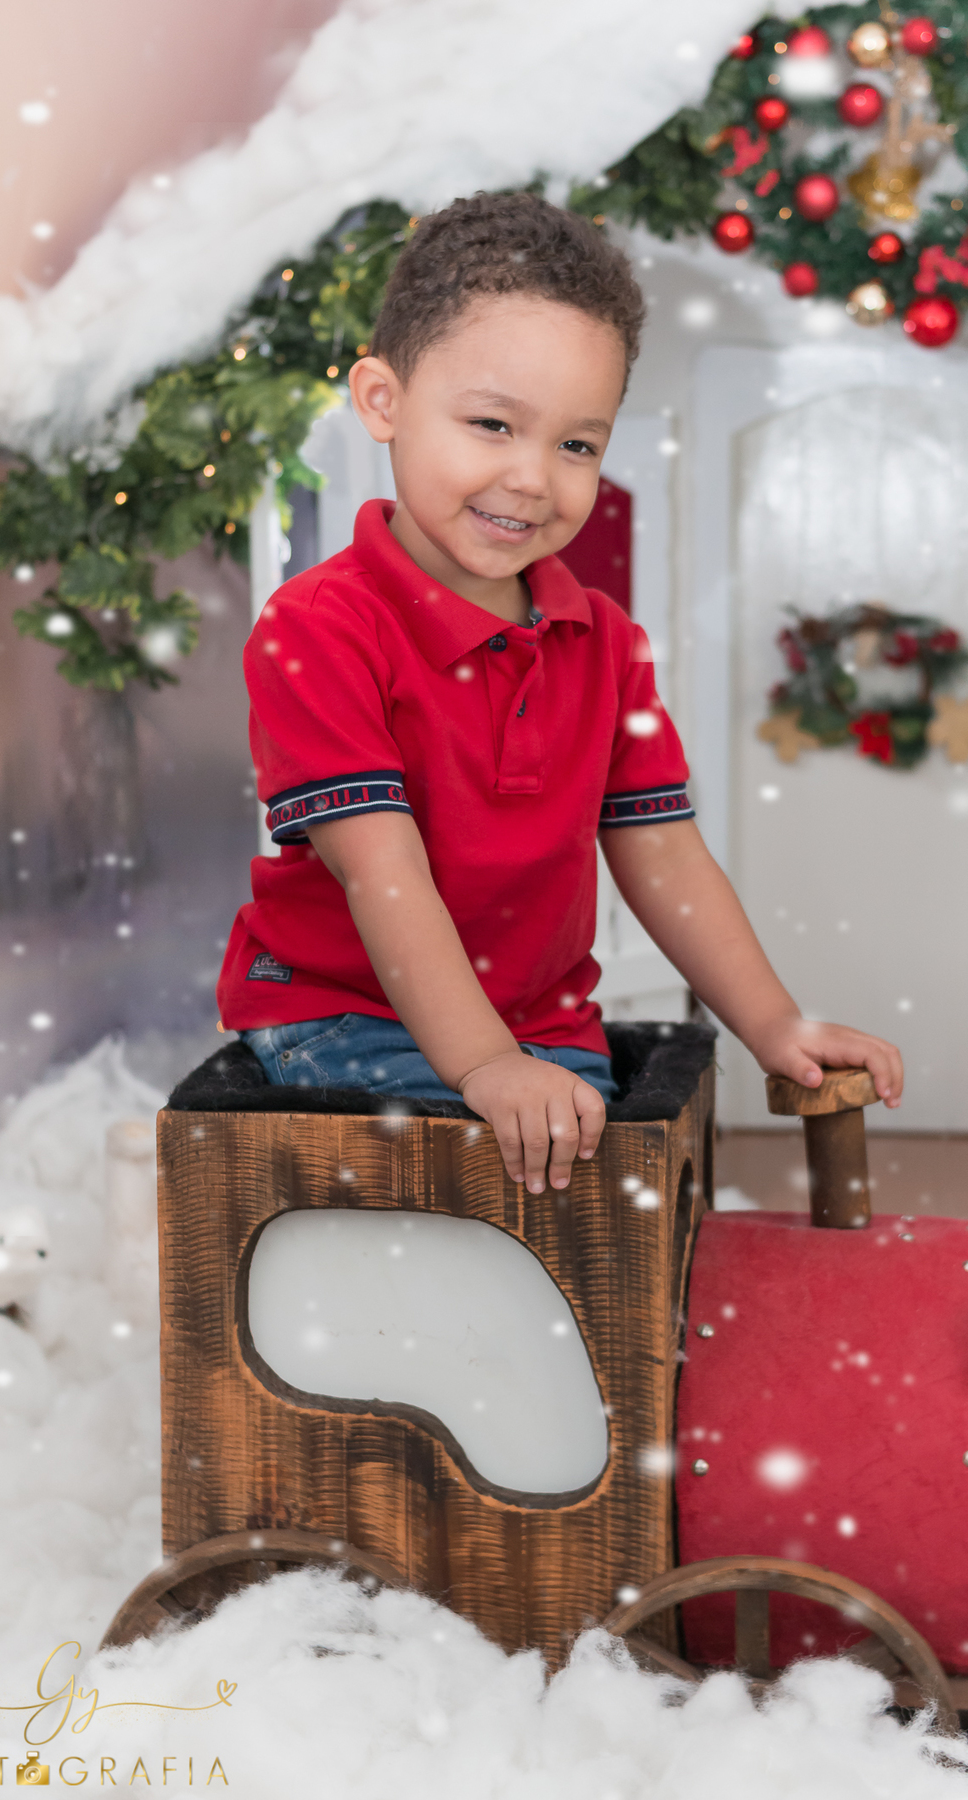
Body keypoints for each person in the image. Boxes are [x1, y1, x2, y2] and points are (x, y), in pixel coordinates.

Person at [216, 191, 902, 1197]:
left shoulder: (605, 643)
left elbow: (663, 851)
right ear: (383, 400)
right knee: (503, 1232)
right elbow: (383, 874)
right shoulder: (320, 626)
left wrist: (775, 1024)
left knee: (604, 1238)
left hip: (542, 1027)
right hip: (348, 1020)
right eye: (493, 424)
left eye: (577, 444)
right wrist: (487, 1066)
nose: (534, 478)